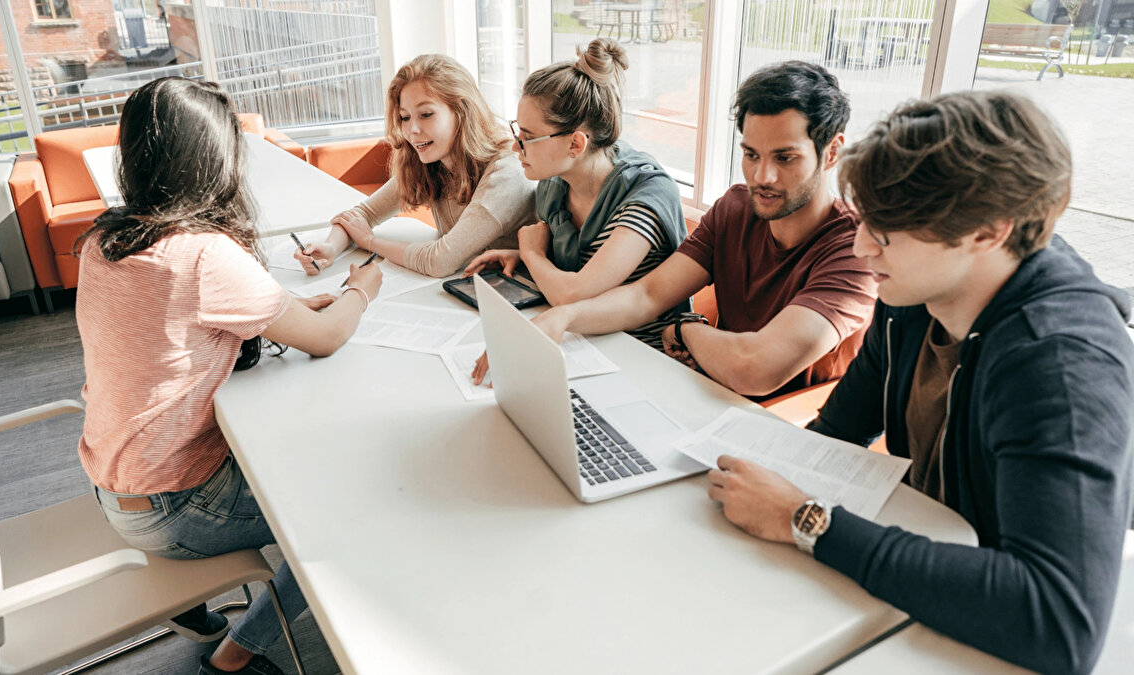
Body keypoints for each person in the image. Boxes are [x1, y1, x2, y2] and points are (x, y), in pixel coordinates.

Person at [707, 91, 1134, 674]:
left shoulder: (1059, 362)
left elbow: (1058, 622)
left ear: (988, 231)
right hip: (932, 574)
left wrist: (806, 519)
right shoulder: (911, 297)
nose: (861, 249)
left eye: (886, 234)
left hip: (1002, 629)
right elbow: (837, 432)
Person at [74, 77, 383, 675]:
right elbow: (328, 339)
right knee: (348, 511)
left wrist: (283, 311)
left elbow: (175, 328)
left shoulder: (104, 238)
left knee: (293, 450)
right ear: (216, 160)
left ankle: (192, 608)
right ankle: (240, 650)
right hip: (175, 509)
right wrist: (358, 291)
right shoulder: (201, 253)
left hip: (114, 484)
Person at [524, 61, 877, 399]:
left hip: (790, 425)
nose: (762, 177)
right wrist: (564, 316)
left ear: (831, 153)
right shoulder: (736, 209)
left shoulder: (857, 248)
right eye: (752, 155)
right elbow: (647, 295)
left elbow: (755, 368)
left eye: (785, 158)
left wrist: (685, 330)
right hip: (710, 395)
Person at [465, 37, 688, 366]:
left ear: (575, 144)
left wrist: (532, 253)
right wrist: (522, 258)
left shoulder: (645, 194)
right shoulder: (554, 186)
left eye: (528, 138)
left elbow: (574, 293)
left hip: (648, 361)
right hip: (586, 347)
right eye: (517, 132)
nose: (516, 148)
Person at [294, 54, 536, 279]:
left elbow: (440, 261)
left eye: (426, 114)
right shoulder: (430, 158)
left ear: (462, 112)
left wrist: (369, 241)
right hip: (473, 288)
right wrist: (330, 248)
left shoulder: (506, 168)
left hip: (521, 298)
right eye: (405, 117)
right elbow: (361, 215)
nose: (412, 130)